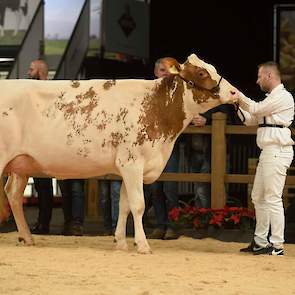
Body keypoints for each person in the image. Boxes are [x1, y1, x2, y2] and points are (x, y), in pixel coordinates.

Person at [236, 62, 294, 255]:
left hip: (277, 150)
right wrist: (235, 103)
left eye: (260, 76)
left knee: (273, 198)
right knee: (258, 196)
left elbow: (255, 109)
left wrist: (239, 96)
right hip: (269, 151)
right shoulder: (271, 100)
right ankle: (260, 242)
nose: (257, 80)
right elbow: (250, 120)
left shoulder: (283, 97)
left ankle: (277, 245)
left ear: (269, 75)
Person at [145, 57, 181, 240]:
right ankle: (160, 225)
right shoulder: (147, 91)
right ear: (155, 72)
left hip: (169, 145)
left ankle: (172, 226)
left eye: (168, 70)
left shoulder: (179, 92)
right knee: (155, 188)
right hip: (151, 146)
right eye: (161, 70)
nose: (165, 74)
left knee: (170, 187)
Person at [28, 60, 54, 235]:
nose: (28, 72)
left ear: (39, 71)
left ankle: (45, 224)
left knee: (45, 187)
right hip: (34, 143)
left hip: (49, 144)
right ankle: (42, 223)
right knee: (40, 186)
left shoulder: (50, 90)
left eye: (31, 69)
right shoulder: (31, 89)